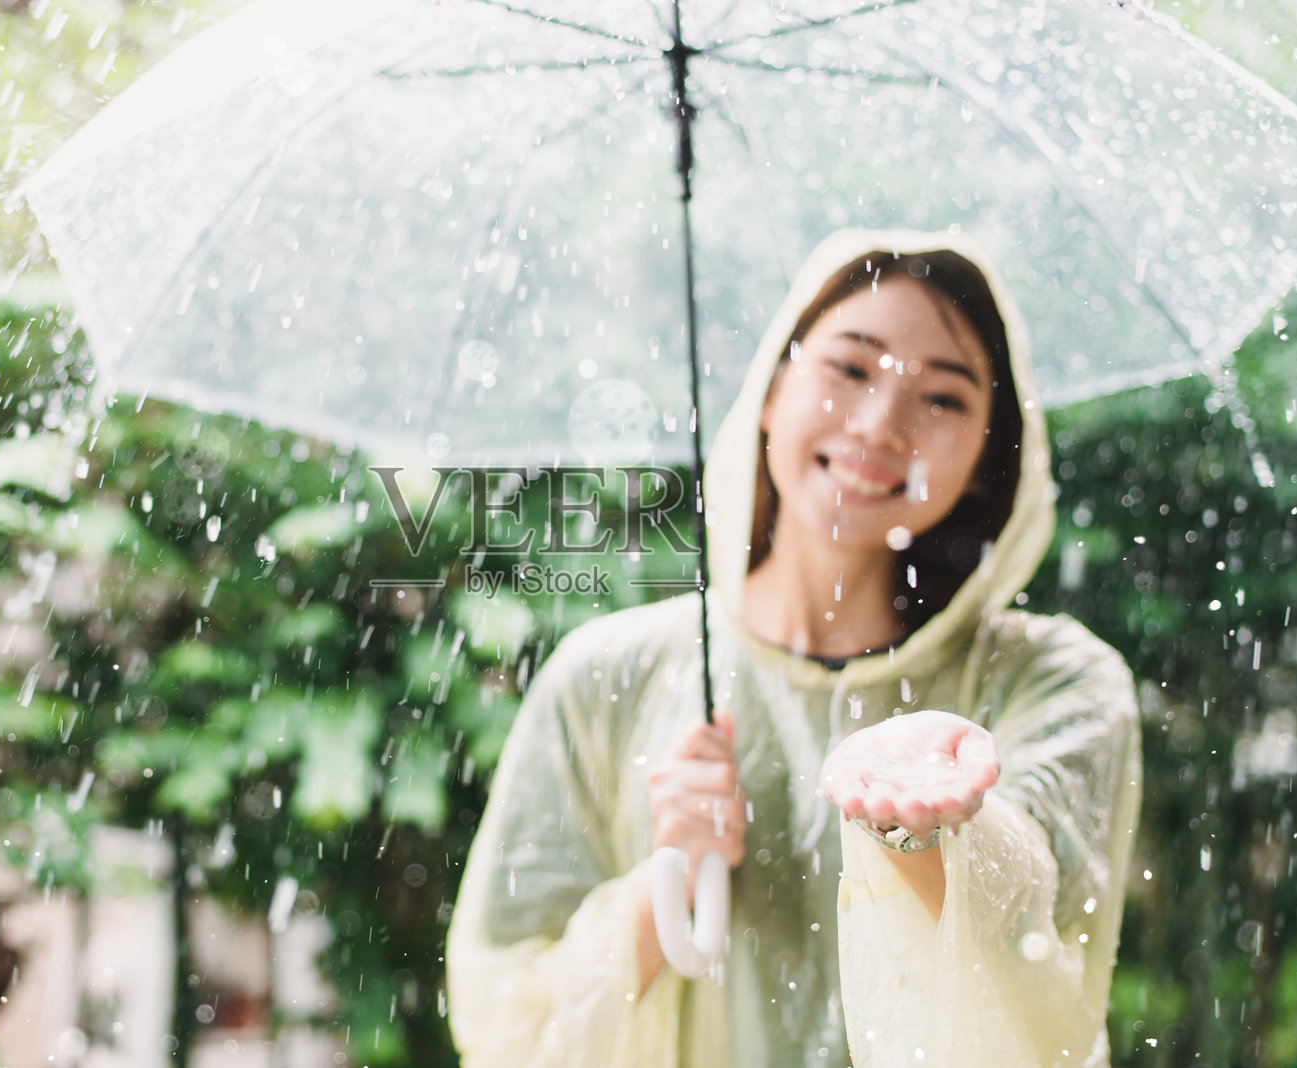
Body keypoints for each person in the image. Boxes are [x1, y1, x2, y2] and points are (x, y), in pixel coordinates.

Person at [444, 229, 1142, 1068]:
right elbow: (504, 1026)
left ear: (990, 453)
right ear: (773, 389)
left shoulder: (1052, 680)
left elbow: (1043, 951)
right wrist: (666, 883)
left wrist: (929, 827)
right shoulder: (607, 681)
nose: (881, 424)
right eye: (850, 368)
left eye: (944, 399)